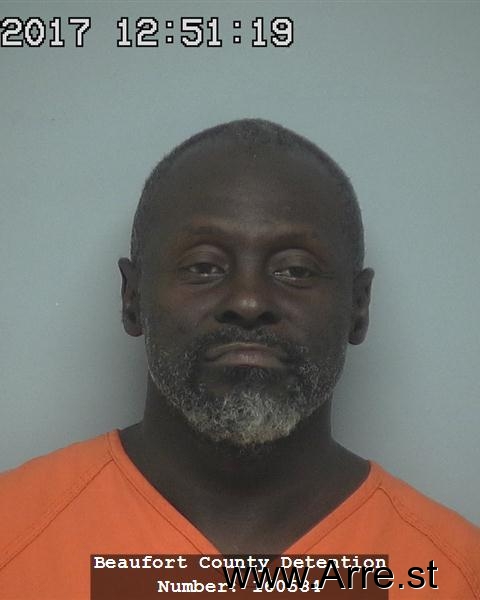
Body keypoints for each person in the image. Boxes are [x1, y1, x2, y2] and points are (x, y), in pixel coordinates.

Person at [0, 119, 478, 599]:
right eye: (204, 266)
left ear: (358, 307)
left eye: (295, 270)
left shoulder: (455, 574)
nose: (248, 301)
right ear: (132, 299)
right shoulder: (12, 534)